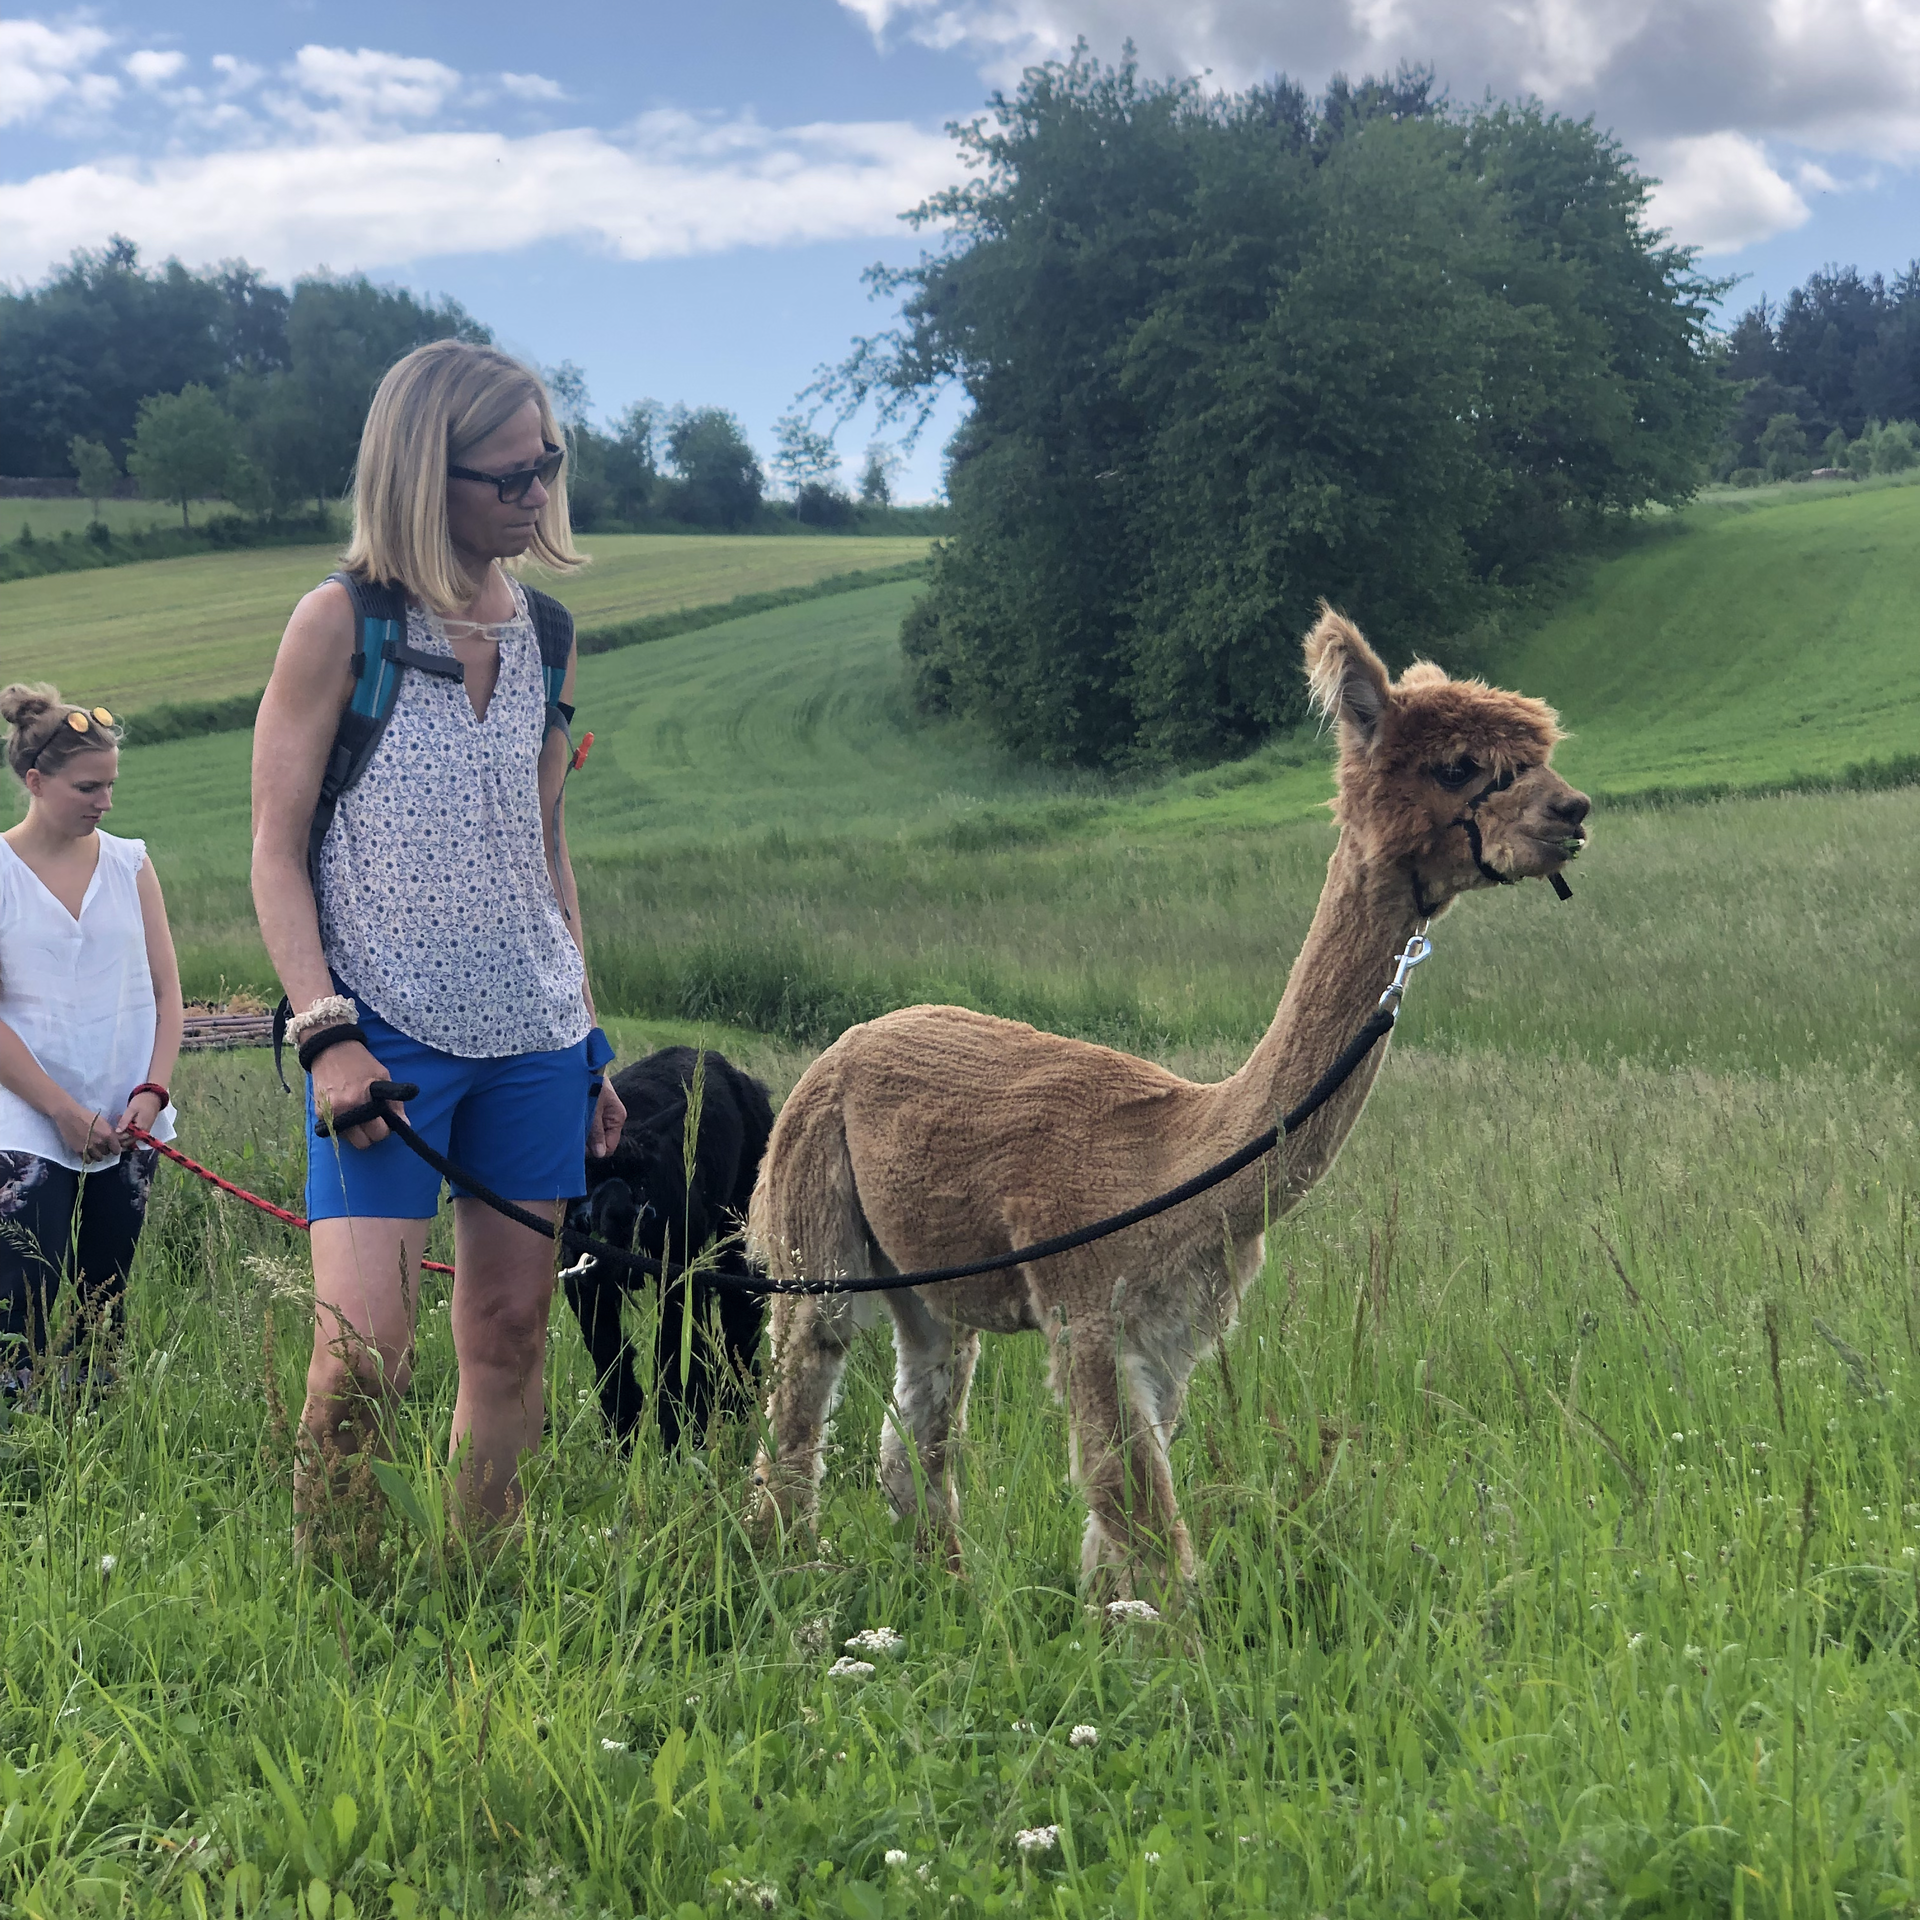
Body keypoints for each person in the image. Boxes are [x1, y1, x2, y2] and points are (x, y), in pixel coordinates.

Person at [251, 339, 624, 1540]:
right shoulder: (338, 624)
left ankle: (476, 1579)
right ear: (424, 472)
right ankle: (342, 1593)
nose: (536, 494)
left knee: (511, 1334)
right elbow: (273, 850)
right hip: (385, 1043)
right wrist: (325, 1035)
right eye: (508, 474)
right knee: (363, 1355)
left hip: (535, 1038)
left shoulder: (550, 635)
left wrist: (591, 1042)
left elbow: (545, 846)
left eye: (547, 465)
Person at [0, 687, 183, 1398]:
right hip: (25, 1120)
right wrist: (62, 1110)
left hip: (127, 1120)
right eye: (86, 787)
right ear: (34, 781)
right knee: (25, 1299)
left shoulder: (130, 864)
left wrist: (151, 1092)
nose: (103, 801)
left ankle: (98, 1447)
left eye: (110, 785)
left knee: (105, 1303)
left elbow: (168, 995)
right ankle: (25, 1462)